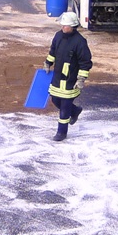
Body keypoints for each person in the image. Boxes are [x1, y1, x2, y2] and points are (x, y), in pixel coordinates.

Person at [43, 11, 92, 142]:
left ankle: (61, 132)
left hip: (70, 78)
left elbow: (85, 62)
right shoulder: (58, 36)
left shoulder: (80, 42)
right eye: (62, 25)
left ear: (73, 26)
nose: (62, 27)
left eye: (65, 25)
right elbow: (53, 51)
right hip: (58, 75)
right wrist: (48, 63)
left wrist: (81, 79)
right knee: (55, 100)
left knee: (65, 106)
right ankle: (75, 111)